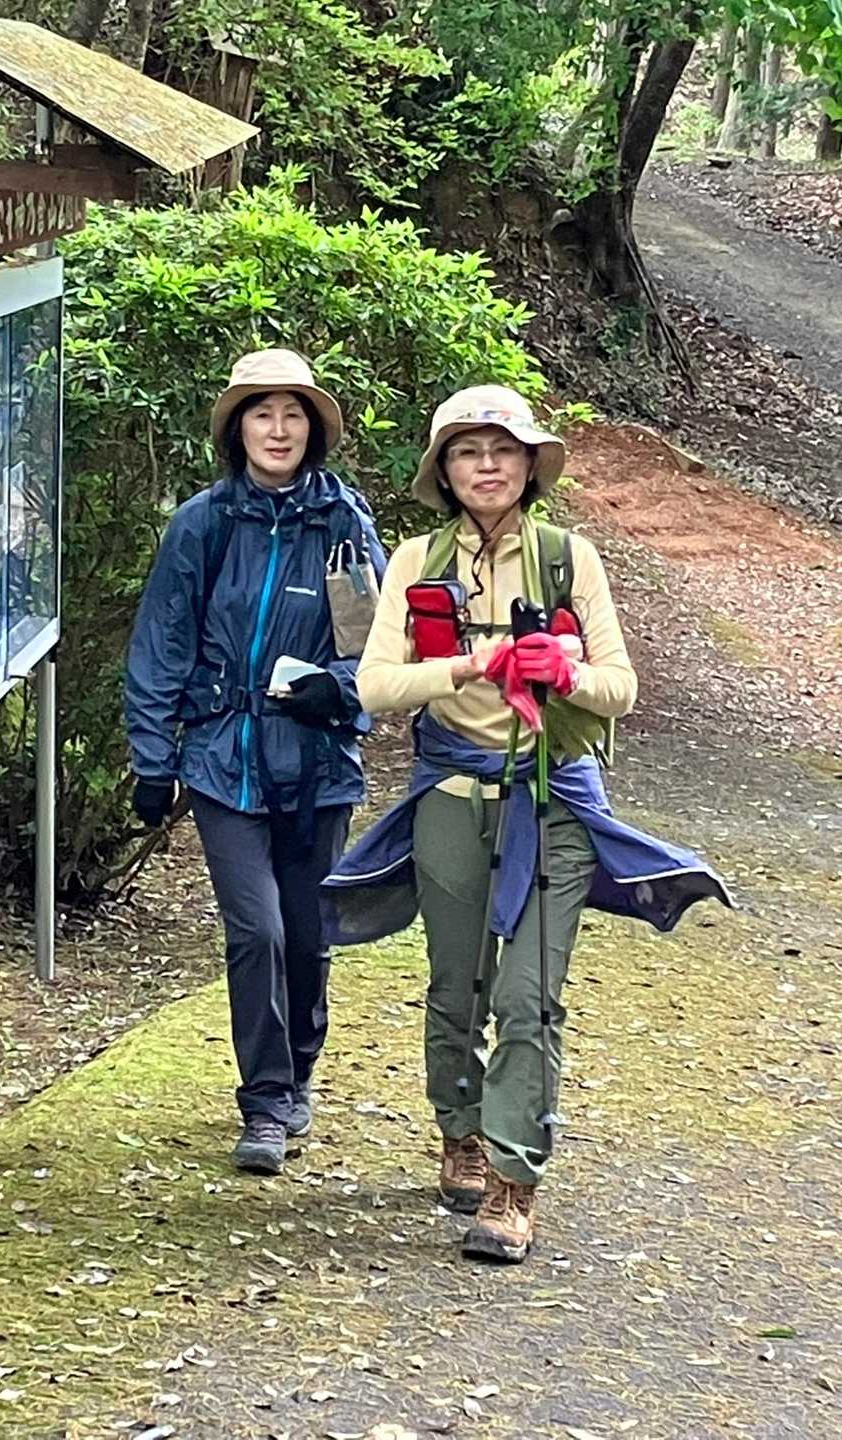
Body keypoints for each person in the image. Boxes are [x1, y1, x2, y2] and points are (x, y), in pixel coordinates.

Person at [321, 385, 731, 1262]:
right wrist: (472, 665)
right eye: (468, 452)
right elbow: (376, 685)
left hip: (554, 800)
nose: (488, 466)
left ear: (529, 465)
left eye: (503, 450)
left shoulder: (569, 559)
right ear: (444, 470)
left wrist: (564, 672)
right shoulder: (417, 561)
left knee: (528, 997)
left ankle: (514, 1183)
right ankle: (461, 1130)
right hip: (451, 797)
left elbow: (620, 688)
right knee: (457, 986)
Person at [125, 349, 386, 1177]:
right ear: (237, 428)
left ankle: (299, 1068)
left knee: (308, 934)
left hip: (316, 765)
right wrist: (153, 758)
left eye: (293, 414)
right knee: (257, 930)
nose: (278, 429)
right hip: (222, 756)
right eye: (262, 413)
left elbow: (377, 647)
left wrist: (339, 693)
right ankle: (266, 1101)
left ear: (313, 430)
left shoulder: (343, 524)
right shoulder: (203, 524)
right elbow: (162, 641)